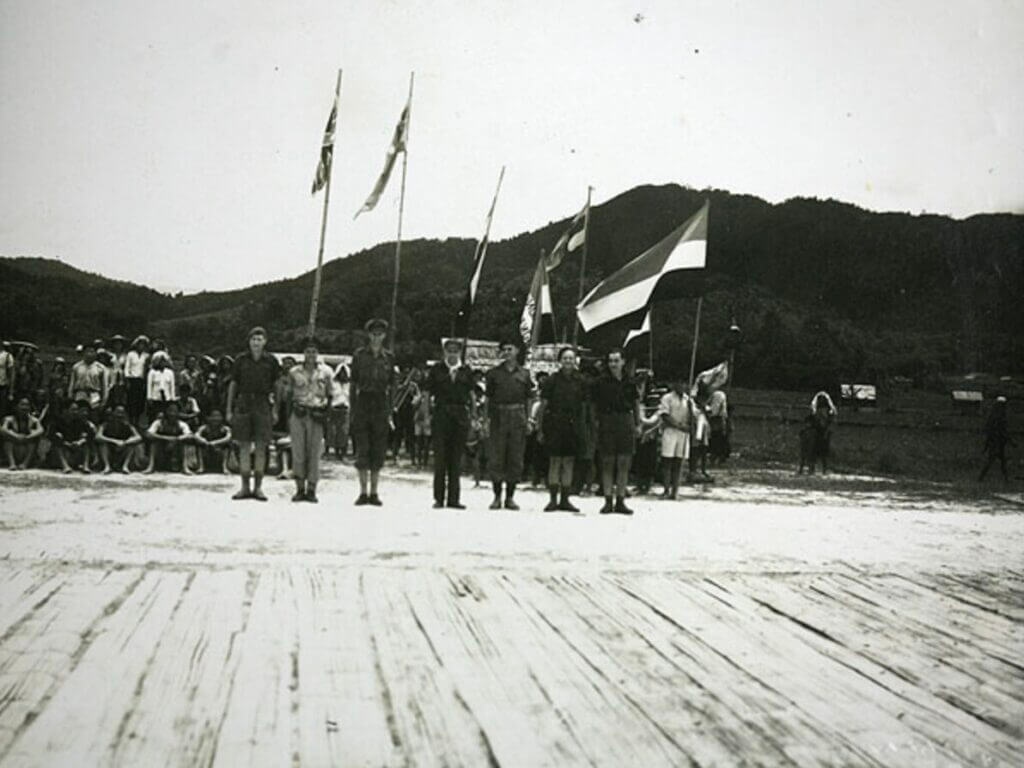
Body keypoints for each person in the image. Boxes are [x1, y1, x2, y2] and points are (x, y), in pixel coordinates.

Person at [227, 327, 280, 501]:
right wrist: (229, 409)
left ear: (265, 341)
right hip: (244, 402)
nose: (256, 342)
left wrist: (275, 409)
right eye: (253, 339)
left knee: (261, 446)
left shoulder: (271, 361)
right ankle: (244, 487)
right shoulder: (241, 360)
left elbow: (277, 386)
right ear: (249, 341)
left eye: (259, 339)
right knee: (243, 445)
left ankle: (258, 487)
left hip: (262, 403)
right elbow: (233, 384)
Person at [349, 318, 396, 506]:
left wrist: (390, 410)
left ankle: (374, 492)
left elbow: (392, 385)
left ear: (384, 336)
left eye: (380, 334)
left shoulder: (389, 357)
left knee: (378, 448)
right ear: (368, 335)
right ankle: (362, 492)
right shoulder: (359, 355)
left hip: (380, 403)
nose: (376, 337)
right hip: (363, 401)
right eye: (373, 334)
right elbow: (353, 384)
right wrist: (353, 409)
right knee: (363, 448)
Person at [591, 348, 642, 515]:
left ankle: (620, 500)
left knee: (623, 462)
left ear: (623, 362)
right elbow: (593, 406)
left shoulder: (630, 382)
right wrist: (595, 423)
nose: (613, 364)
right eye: (610, 361)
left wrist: (638, 424)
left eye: (616, 361)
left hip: (625, 421)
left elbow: (635, 405)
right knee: (607, 462)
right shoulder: (600, 382)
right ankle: (607, 500)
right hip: (606, 421)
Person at [427, 338, 476, 509]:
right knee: (440, 459)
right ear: (444, 352)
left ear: (460, 353)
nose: (452, 354)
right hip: (441, 414)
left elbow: (472, 395)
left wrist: (473, 416)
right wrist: (427, 415)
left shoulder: (466, 371)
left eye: (456, 351)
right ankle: (439, 498)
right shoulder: (437, 370)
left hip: (460, 415)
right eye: (449, 351)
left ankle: (454, 499)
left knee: (456, 459)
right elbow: (427, 393)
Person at [485, 338, 533, 510]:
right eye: (504, 349)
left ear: (517, 351)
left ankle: (510, 497)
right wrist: (486, 420)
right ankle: (497, 496)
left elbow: (528, 399)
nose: (507, 352)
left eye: (510, 349)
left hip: (518, 415)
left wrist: (529, 419)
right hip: (499, 415)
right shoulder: (493, 373)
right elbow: (488, 399)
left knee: (515, 457)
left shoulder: (525, 374)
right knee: (497, 457)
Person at [285, 337, 334, 503]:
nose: (311, 355)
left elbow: (330, 395)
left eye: (314, 351)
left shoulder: (326, 372)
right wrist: (290, 415)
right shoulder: (294, 372)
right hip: (299, 413)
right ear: (303, 353)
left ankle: (312, 489)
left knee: (315, 453)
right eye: (308, 351)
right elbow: (288, 395)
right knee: (298, 453)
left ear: (318, 353)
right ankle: (300, 488)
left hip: (316, 414)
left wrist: (326, 415)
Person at [536, 347, 584, 512]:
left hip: (573, 425)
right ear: (560, 361)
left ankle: (565, 499)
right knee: (555, 461)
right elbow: (543, 405)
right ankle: (552, 499)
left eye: (571, 358)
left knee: (569, 461)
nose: (568, 361)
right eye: (565, 358)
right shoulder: (551, 381)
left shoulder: (580, 381)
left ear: (575, 360)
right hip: (554, 424)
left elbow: (584, 405)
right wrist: (540, 428)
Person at [658, 380, 694, 498]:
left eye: (684, 383)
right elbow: (665, 415)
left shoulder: (688, 400)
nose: (682, 385)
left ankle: (675, 490)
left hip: (683, 434)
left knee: (679, 461)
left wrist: (691, 410)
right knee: (667, 461)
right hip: (670, 431)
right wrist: (679, 425)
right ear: (674, 384)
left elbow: (693, 418)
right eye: (679, 383)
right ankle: (666, 489)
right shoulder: (667, 398)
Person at [144, 401, 192, 474]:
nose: (172, 413)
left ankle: (185, 467)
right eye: (170, 410)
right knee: (153, 442)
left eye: (175, 411)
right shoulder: (158, 422)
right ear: (166, 411)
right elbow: (148, 434)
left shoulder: (181, 424)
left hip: (175, 451)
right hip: (161, 450)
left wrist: (177, 439)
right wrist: (165, 438)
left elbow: (189, 435)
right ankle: (151, 466)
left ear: (178, 413)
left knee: (184, 442)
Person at [95, 404, 143, 474]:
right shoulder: (106, 423)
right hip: (110, 450)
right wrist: (114, 441)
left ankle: (125, 466)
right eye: (118, 412)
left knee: (132, 444)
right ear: (113, 413)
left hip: (122, 450)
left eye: (122, 413)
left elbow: (139, 437)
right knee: (102, 444)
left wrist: (125, 442)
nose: (119, 415)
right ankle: (107, 466)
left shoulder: (128, 425)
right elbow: (98, 436)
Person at [1, 397, 45, 470]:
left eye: (27, 405)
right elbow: (3, 429)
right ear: (16, 406)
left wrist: (28, 437)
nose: (25, 407)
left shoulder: (34, 420)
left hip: (27, 447)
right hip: (14, 446)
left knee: (34, 439)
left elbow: (41, 430)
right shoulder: (9, 419)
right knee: (7, 438)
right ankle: (12, 463)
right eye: (22, 404)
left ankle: (25, 464)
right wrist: (15, 436)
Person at [68, 341, 108, 418]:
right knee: (79, 417)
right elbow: (72, 384)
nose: (89, 354)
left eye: (92, 352)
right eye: (87, 351)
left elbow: (105, 386)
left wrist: (104, 401)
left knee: (93, 416)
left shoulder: (101, 368)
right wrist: (70, 397)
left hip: (94, 395)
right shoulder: (76, 367)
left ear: (96, 353)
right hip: (80, 394)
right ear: (84, 353)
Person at [979, 396, 1014, 482]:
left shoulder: (992, 415)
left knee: (999, 460)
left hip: (994, 441)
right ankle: (981, 477)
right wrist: (1011, 441)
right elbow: (1003, 430)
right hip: (998, 442)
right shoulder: (1001, 416)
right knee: (995, 460)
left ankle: (1005, 478)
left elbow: (988, 429)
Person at [55, 400, 95, 473]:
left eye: (76, 410)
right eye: (73, 410)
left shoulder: (80, 422)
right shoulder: (57, 422)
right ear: (65, 410)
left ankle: (85, 466)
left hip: (76, 448)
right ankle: (65, 466)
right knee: (57, 440)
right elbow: (51, 436)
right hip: (63, 449)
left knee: (86, 443)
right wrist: (66, 443)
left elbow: (90, 434)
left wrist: (80, 442)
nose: (76, 412)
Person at [194, 409, 233, 474]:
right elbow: (196, 435)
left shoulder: (225, 428)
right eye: (213, 416)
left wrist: (215, 443)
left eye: (218, 416)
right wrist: (204, 441)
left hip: (219, 452)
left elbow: (228, 438)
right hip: (207, 451)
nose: (216, 418)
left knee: (228, 445)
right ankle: (201, 467)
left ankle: (225, 467)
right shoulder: (204, 428)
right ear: (208, 418)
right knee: (199, 444)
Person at [809, 390, 837, 474]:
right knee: (818, 451)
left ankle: (818, 468)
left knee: (819, 451)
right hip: (820, 432)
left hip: (822, 432)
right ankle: (817, 468)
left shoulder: (823, 412)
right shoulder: (824, 412)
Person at [124, 335, 150, 425]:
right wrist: (127, 378)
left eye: (143, 344)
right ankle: (131, 420)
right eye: (140, 344)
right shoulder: (131, 354)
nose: (141, 346)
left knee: (140, 401)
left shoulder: (146, 356)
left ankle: (137, 421)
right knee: (131, 401)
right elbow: (127, 367)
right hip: (132, 380)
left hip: (141, 381)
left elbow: (146, 368)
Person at [146, 350, 176, 421]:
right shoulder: (152, 372)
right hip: (155, 398)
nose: (162, 363)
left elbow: (172, 386)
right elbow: (149, 385)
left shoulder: (170, 372)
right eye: (160, 361)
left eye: (164, 361)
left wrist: (172, 398)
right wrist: (149, 397)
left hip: (167, 398)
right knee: (154, 416)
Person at [707, 389, 730, 466]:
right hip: (719, 420)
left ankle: (716, 457)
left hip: (717, 420)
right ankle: (717, 457)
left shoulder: (718, 394)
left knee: (717, 439)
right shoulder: (719, 394)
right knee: (718, 440)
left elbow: (715, 410)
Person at [0, 341, 15, 416]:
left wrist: (11, 392)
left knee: (2, 407)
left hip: (2, 385)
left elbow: (11, 374)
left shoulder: (8, 356)